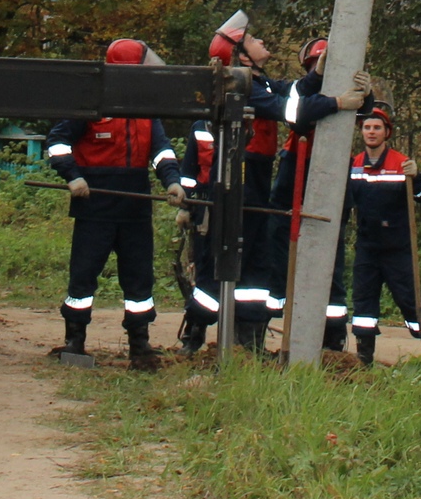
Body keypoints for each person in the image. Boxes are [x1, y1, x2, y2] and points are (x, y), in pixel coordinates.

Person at [45, 38, 187, 369]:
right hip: (95, 202)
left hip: (135, 203)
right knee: (84, 274)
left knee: (139, 277)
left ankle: (140, 346)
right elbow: (57, 143)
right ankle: (74, 343)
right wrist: (73, 177)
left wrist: (173, 181)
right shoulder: (91, 101)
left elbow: (161, 150)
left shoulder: (145, 109)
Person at [176, 19, 299, 353]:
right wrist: (187, 203)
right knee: (216, 266)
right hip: (226, 190)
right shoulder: (244, 90)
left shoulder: (264, 83)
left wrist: (320, 74)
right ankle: (196, 331)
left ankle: (249, 337)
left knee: (257, 266)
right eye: (253, 38)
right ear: (242, 56)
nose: (261, 40)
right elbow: (191, 167)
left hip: (254, 185)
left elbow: (292, 91)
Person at [271, 37, 370, 350]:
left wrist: (365, 95)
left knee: (332, 251)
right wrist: (338, 101)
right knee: (279, 248)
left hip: (332, 170)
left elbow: (364, 115)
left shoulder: (340, 92)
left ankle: (333, 336)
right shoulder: (300, 90)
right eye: (317, 66)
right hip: (296, 167)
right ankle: (266, 324)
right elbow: (300, 113)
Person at [342, 106, 421, 364]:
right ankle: (364, 360)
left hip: (397, 249)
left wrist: (418, 177)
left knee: (411, 302)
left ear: (387, 133)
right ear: (361, 132)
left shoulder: (401, 163)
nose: (371, 132)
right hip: (367, 248)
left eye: (376, 128)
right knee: (363, 306)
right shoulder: (354, 164)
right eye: (367, 127)